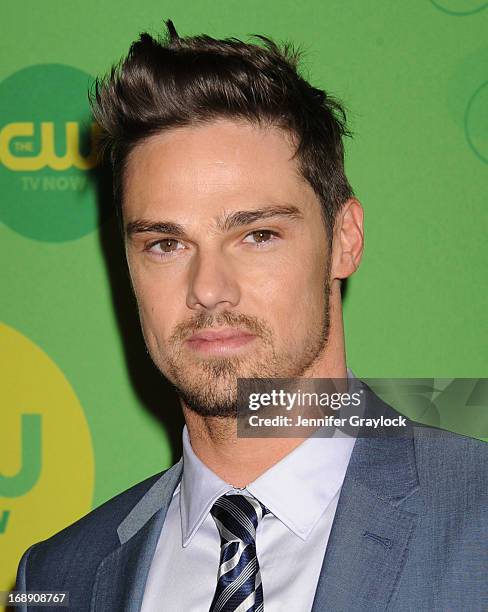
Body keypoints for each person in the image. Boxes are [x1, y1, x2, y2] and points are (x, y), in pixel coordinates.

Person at [15, 19, 487, 612]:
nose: (209, 290)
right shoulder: (57, 580)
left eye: (257, 234)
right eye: (166, 244)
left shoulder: (478, 523)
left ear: (345, 238)